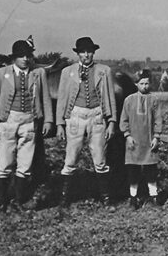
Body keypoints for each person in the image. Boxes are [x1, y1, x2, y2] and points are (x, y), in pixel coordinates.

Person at [0, 39, 53, 213]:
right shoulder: (1, 74)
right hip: (8, 121)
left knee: (25, 164)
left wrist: (48, 120)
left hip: (29, 121)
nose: (25, 59)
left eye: (28, 55)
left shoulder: (38, 74)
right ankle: (2, 203)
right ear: (14, 57)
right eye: (21, 56)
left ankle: (18, 201)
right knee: (5, 162)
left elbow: (45, 98)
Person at [56, 37, 118, 208]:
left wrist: (112, 121)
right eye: (83, 52)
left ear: (94, 52)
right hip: (75, 117)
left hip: (97, 117)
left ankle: (106, 199)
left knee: (100, 160)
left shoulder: (103, 71)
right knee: (70, 159)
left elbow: (110, 98)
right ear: (77, 53)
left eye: (89, 51)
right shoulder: (68, 72)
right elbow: (62, 99)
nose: (86, 55)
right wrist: (60, 124)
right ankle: (64, 199)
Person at [121, 69, 163, 208]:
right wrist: (127, 136)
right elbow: (124, 120)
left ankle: (154, 196)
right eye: (142, 83)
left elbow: (158, 119)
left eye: (147, 83)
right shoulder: (129, 100)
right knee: (133, 171)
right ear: (136, 84)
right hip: (134, 141)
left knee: (151, 170)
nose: (145, 86)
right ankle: (133, 198)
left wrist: (156, 137)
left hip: (149, 140)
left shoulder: (154, 99)